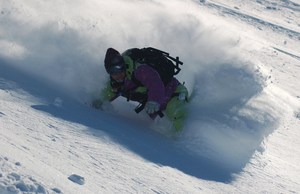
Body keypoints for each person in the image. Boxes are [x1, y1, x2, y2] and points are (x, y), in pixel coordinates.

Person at [92, 47, 188, 131]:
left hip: (175, 93)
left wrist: (154, 100)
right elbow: (107, 94)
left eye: (120, 69)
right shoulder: (115, 83)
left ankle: (183, 141)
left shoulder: (140, 70)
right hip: (156, 106)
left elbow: (155, 83)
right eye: (113, 72)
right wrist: (98, 103)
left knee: (174, 113)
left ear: (124, 66)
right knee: (155, 123)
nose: (117, 75)